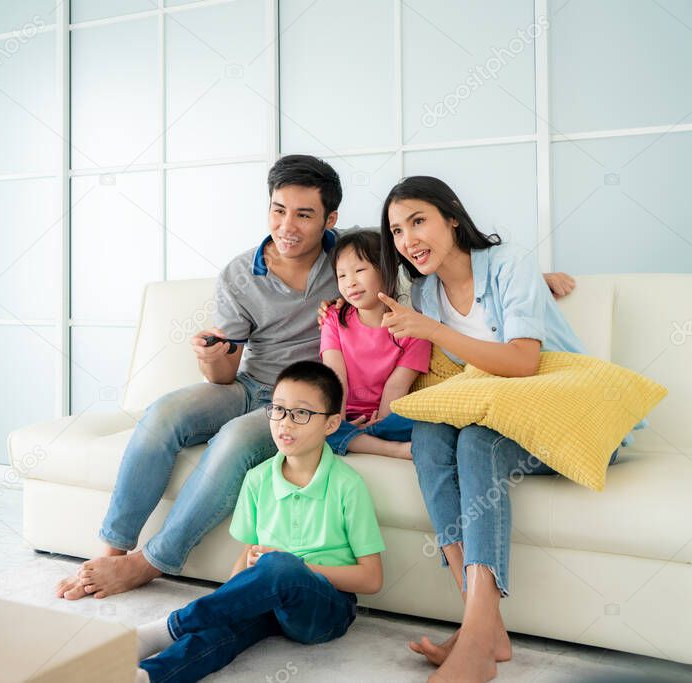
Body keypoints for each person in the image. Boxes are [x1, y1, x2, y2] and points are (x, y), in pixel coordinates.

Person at [54, 155, 577, 601]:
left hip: (300, 400)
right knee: (163, 412)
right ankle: (111, 549)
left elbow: (436, 262)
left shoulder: (352, 255)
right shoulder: (240, 273)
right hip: (247, 383)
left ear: (330, 218)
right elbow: (223, 374)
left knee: (237, 438)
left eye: (305, 215)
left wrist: (535, 277)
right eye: (279, 211)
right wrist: (211, 355)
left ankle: (152, 562)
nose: (288, 226)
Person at [374, 176, 620, 683]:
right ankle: (484, 627)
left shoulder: (509, 265)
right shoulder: (424, 291)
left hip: (574, 418)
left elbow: (524, 362)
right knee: (428, 433)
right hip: (507, 416)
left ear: (453, 218)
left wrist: (438, 329)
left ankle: (479, 639)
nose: (408, 239)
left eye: (418, 221)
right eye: (397, 230)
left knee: (477, 440)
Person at [133, 361, 383, 683]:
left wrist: (297, 567)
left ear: (332, 424)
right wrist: (234, 598)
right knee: (217, 634)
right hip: (270, 599)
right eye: (277, 409)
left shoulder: (348, 485)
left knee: (281, 566)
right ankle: (149, 676)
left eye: (301, 413)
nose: (285, 424)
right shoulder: (257, 478)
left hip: (325, 607)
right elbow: (248, 554)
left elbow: (372, 579)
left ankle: (170, 626)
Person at [320, 229, 431, 460]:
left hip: (387, 417)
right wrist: (338, 422)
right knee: (317, 425)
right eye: (341, 276)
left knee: (425, 424)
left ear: (386, 269)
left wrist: (377, 424)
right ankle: (392, 449)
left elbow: (396, 387)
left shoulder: (414, 330)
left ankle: (359, 438)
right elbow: (335, 376)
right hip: (340, 410)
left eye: (360, 270)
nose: (350, 282)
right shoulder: (333, 318)